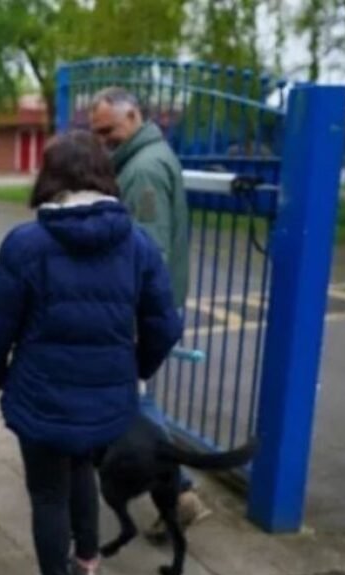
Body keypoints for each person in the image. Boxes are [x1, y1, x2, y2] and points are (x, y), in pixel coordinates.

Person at [0, 131, 183, 575]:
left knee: (49, 494)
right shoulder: (138, 244)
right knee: (83, 475)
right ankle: (87, 573)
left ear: (50, 177)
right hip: (108, 399)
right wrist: (134, 372)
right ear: (104, 175)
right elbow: (164, 326)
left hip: (41, 398)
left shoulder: (26, 244)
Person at [88, 87, 211, 541]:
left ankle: (180, 493)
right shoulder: (151, 156)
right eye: (97, 132)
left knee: (134, 397)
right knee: (136, 396)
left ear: (134, 115)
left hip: (141, 306)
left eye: (110, 130)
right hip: (151, 302)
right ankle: (177, 491)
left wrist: (127, 312)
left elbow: (149, 250)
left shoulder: (141, 172)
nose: (103, 140)